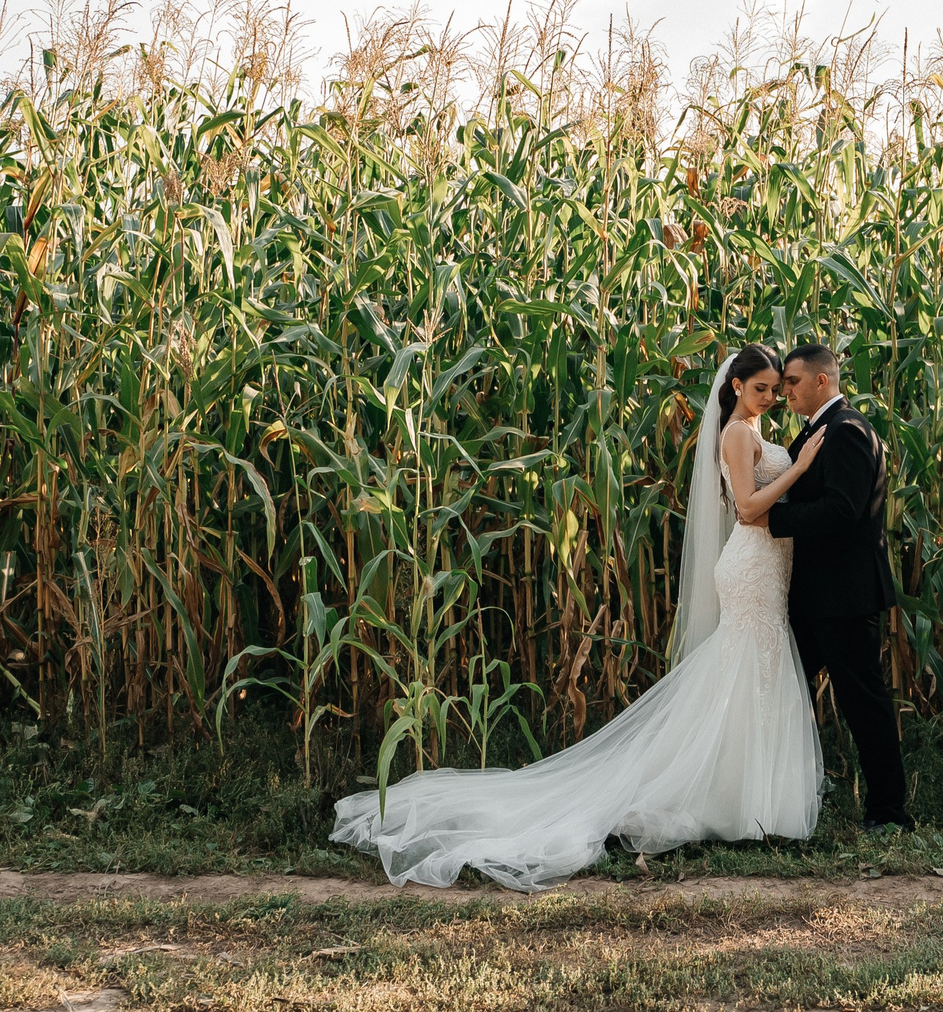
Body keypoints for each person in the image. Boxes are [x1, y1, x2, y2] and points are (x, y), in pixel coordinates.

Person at [330, 344, 827, 889]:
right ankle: (734, 802)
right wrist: (800, 467)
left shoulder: (752, 431)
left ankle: (744, 798)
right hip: (751, 565)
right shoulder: (736, 432)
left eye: (777, 391)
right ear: (736, 387)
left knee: (747, 676)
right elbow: (751, 510)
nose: (772, 398)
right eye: (761, 389)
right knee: (742, 671)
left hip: (767, 571)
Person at [751, 342, 912, 831]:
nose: (785, 393)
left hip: (842, 596)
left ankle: (889, 812)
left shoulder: (845, 431)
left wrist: (773, 518)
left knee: (863, 701)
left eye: (793, 383)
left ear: (822, 380)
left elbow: (844, 509)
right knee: (778, 691)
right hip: (815, 596)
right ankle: (774, 798)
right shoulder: (821, 430)